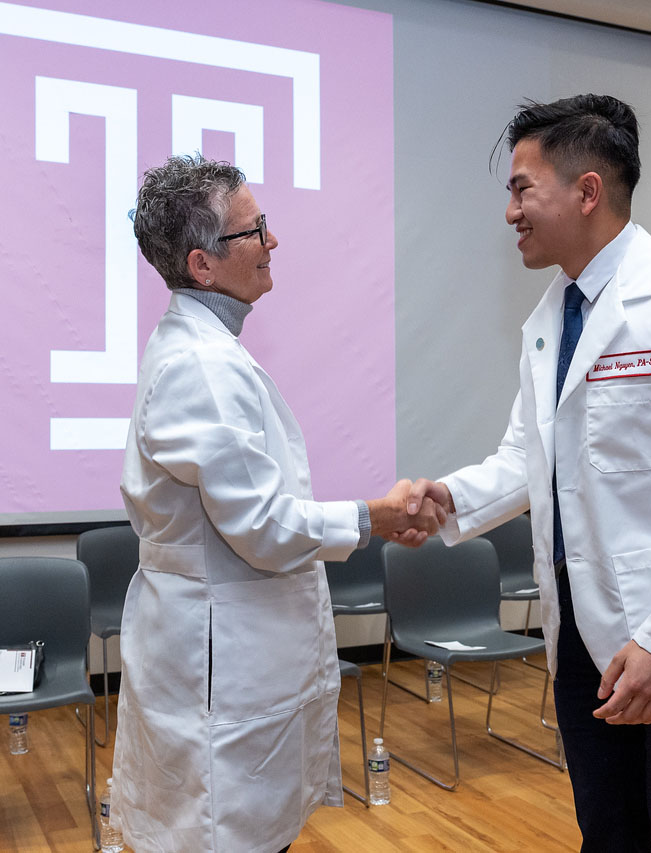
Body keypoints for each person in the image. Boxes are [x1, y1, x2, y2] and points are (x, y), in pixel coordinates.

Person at [405, 95, 651, 852]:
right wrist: (449, 497)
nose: (509, 211)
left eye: (521, 188)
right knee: (608, 833)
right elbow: (528, 458)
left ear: (586, 191)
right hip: (581, 637)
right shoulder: (550, 320)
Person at [113, 154, 442, 853]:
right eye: (255, 229)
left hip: (226, 647)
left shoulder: (206, 348)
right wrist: (375, 515)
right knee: (222, 831)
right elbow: (261, 525)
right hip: (218, 660)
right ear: (203, 265)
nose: (273, 241)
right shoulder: (200, 365)